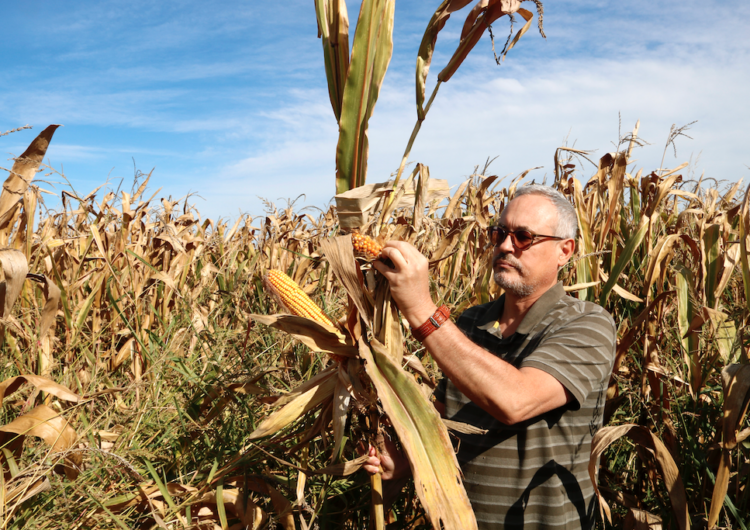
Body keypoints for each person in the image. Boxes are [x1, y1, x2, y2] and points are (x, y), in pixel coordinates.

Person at [365, 184, 617, 529]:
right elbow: (443, 414)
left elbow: (515, 400)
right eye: (499, 232)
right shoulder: (469, 322)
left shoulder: (587, 323)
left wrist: (422, 310)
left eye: (524, 236)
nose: (504, 245)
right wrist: (404, 458)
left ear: (565, 250)